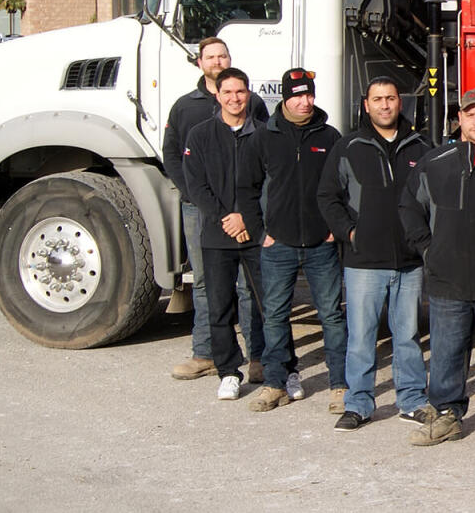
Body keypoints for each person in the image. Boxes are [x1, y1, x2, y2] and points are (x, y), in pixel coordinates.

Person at [399, 88, 475, 446]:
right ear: (460, 119)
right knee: (447, 353)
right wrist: (428, 251)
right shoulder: (435, 162)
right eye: (470, 114)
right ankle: (447, 414)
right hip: (447, 280)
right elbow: (409, 208)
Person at [316, 77, 433, 432]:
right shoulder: (350, 146)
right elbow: (328, 196)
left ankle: (412, 400)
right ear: (366, 105)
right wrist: (350, 232)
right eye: (377, 99)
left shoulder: (422, 147)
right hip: (364, 261)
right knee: (362, 336)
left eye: (391, 98)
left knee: (408, 336)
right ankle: (358, 403)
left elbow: (435, 200)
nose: (385, 105)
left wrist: (427, 242)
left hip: (410, 261)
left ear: (401, 103)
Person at [236, 68, 345, 413]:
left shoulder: (329, 137)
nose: (305, 101)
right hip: (278, 243)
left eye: (309, 94)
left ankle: (340, 385)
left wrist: (335, 228)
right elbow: (246, 187)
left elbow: (344, 187)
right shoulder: (264, 138)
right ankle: (275, 384)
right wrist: (259, 232)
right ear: (285, 97)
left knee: (331, 315)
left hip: (321, 244)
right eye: (298, 95)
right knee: (275, 316)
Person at [165, 36, 268, 382]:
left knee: (247, 286)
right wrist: (196, 196)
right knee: (207, 284)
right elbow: (173, 155)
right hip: (201, 208)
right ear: (200, 63)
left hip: (245, 211)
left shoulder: (250, 105)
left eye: (223, 55)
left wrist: (243, 214)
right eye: (211, 56)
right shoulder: (185, 106)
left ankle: (257, 357)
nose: (217, 60)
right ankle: (205, 352)